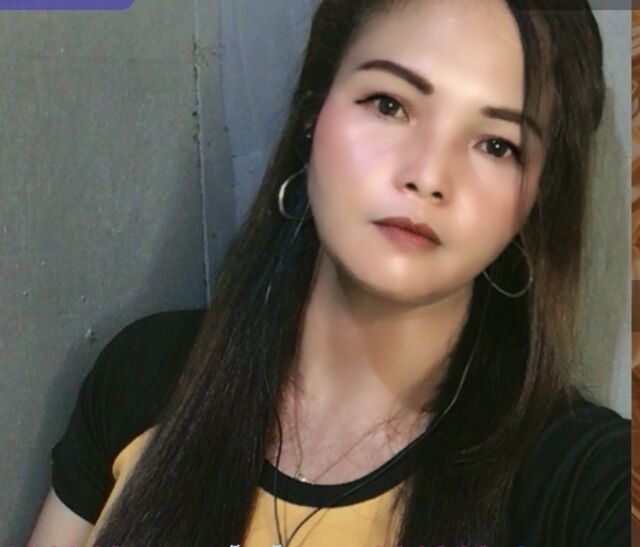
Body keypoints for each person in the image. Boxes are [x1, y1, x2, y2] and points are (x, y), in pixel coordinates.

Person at [27, 0, 630, 546]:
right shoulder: (147, 378)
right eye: (390, 105)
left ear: (536, 199)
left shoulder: (580, 483)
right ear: (313, 110)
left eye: (497, 145)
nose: (428, 175)